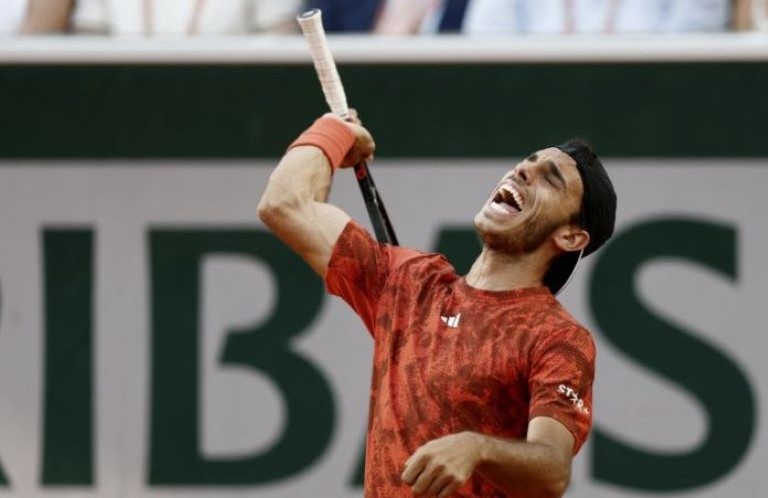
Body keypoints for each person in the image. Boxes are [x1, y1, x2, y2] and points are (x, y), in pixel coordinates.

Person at [258, 112, 617, 498]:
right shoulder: (410, 283)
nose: (523, 172)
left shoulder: (557, 338)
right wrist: (334, 132)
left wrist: (476, 448)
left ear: (571, 236)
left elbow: (551, 470)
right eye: (525, 163)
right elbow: (284, 205)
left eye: (550, 178)